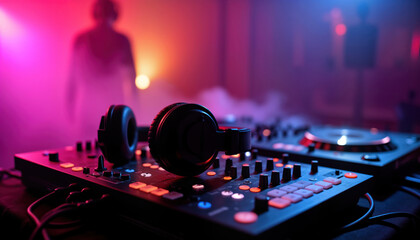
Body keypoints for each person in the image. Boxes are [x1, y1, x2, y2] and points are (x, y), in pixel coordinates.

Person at [67, 0, 137, 140]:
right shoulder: (122, 40)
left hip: (107, 104)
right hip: (104, 106)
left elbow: (72, 78)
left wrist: (70, 104)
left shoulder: (81, 39)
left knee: (89, 149)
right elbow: (132, 76)